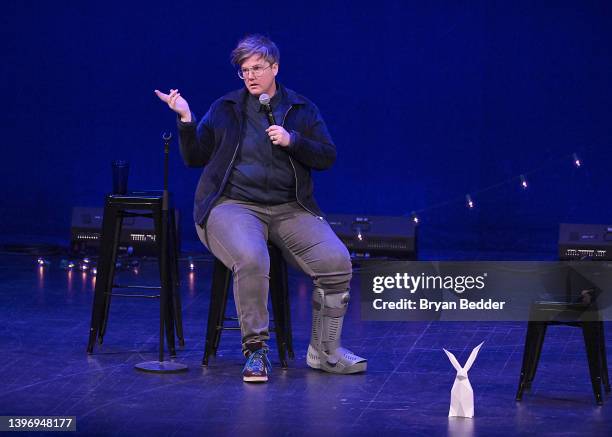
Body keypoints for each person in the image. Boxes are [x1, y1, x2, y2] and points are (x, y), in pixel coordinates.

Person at [155, 34, 366, 382]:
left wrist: (292, 140)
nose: (250, 75)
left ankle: (325, 351)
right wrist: (186, 119)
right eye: (244, 70)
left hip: (289, 208)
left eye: (257, 68)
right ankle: (256, 351)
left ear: (275, 68)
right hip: (232, 206)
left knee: (336, 261)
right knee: (253, 258)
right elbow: (194, 157)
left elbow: (327, 156)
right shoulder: (225, 108)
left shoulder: (300, 109)